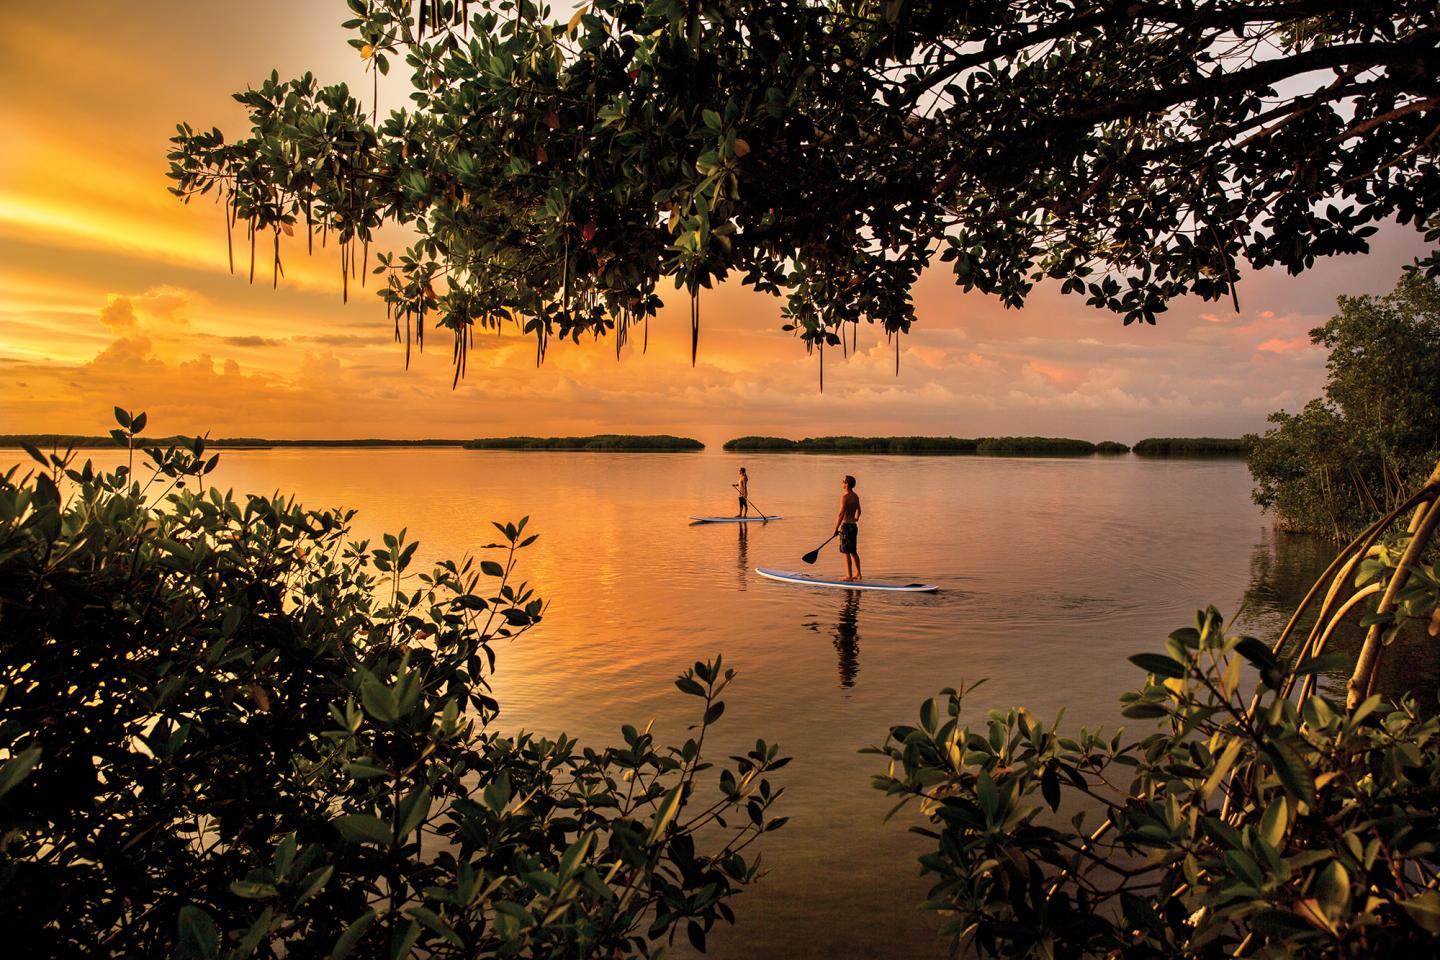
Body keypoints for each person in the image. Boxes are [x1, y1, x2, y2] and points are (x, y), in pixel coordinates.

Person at [835, 474, 862, 581]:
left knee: (846, 551)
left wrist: (836, 528)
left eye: (843, 481)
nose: (841, 483)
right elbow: (859, 511)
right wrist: (856, 518)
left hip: (846, 526)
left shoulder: (844, 497)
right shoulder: (856, 496)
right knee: (853, 551)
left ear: (846, 484)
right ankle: (858, 574)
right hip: (854, 526)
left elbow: (841, 514)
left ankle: (849, 576)